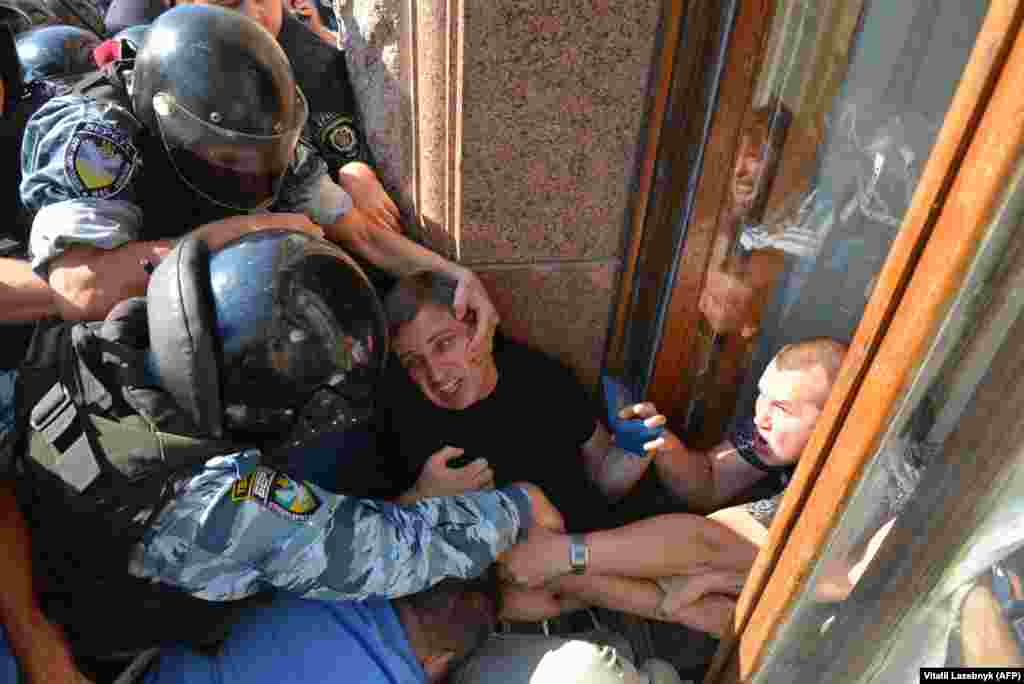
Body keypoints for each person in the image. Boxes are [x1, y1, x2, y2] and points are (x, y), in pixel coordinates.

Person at [20, 5, 490, 341]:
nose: (254, 178)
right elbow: (80, 288)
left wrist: (450, 275)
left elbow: (356, 228)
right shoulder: (98, 135)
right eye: (230, 159)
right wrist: (250, 231)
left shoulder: (264, 131)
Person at [378, 270, 667, 532]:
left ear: (478, 328)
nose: (435, 373)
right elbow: (376, 538)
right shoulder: (405, 418)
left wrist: (630, 454)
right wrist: (421, 496)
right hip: (509, 578)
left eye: (443, 344)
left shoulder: (541, 377)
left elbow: (601, 486)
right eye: (414, 362)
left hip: (583, 552)